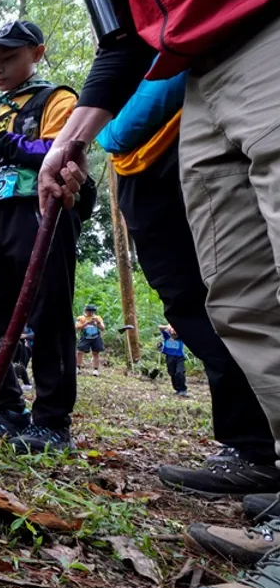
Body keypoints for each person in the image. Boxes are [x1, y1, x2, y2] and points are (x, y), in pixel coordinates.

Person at [28, 0, 280, 588]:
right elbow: (124, 47)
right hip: (201, 68)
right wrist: (69, 140)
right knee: (241, 298)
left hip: (268, 26)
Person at [92, 71, 277, 492]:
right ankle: (250, 445)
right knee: (188, 302)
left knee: (238, 289)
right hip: (136, 162)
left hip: (195, 133)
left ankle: (257, 446)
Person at [0, 19, 91, 454]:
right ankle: (6, 408)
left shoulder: (58, 98)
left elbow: (60, 148)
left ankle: (53, 421)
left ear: (36, 53)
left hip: (45, 210)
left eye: (8, 58)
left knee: (49, 312)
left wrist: (3, 141)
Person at [75, 304, 105, 375]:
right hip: (85, 337)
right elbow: (77, 327)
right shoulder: (81, 318)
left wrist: (97, 323)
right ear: (85, 311)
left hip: (96, 337)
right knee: (80, 352)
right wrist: (86, 323)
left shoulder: (98, 318)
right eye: (89, 311)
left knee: (96, 353)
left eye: (92, 311)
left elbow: (103, 328)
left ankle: (96, 370)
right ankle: (78, 367)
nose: (90, 312)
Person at [159, 325, 188, 398]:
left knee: (179, 372)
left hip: (179, 358)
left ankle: (183, 389)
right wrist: (168, 326)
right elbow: (160, 327)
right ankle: (177, 389)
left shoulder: (180, 337)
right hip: (169, 357)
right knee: (172, 373)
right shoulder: (167, 336)